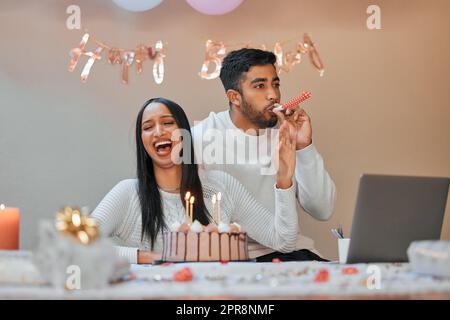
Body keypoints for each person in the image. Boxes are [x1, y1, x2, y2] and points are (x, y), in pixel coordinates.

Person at [91, 97, 304, 264]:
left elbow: (284, 241)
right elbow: (77, 245)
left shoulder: (220, 186)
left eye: (167, 123)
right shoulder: (128, 193)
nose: (158, 132)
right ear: (142, 141)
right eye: (148, 127)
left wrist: (284, 178)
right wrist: (144, 257)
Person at [191, 48, 336, 261]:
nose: (274, 95)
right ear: (235, 97)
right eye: (260, 86)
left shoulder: (286, 131)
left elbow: (322, 210)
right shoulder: (201, 137)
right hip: (233, 258)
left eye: (275, 84)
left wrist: (304, 147)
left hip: (292, 252)